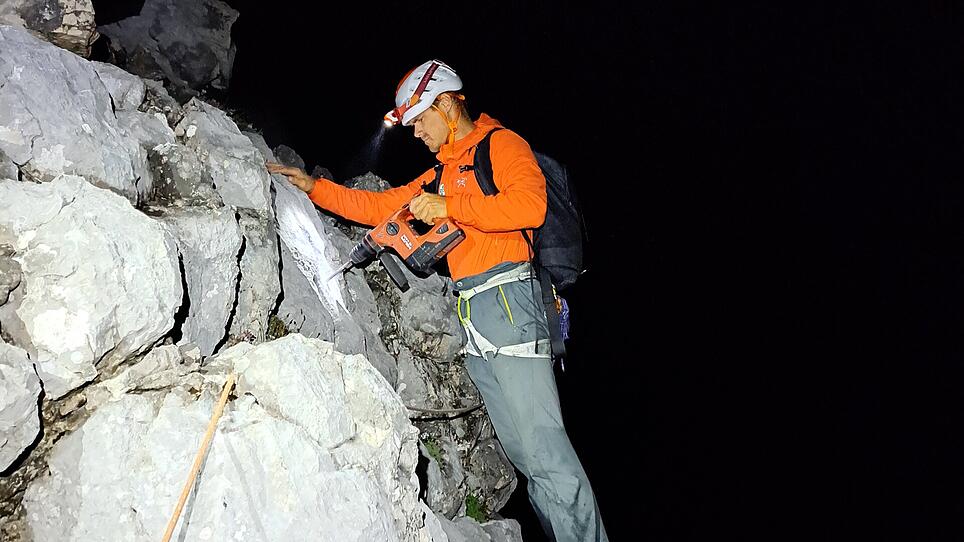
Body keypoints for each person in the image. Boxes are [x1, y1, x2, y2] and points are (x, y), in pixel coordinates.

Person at [267, 59, 608, 542]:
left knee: (548, 455)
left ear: (447, 104)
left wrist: (452, 207)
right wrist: (315, 187)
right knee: (529, 460)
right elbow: (382, 205)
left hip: (513, 308)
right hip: (476, 316)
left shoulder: (501, 145)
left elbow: (530, 206)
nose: (416, 133)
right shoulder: (444, 171)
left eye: (421, 120)